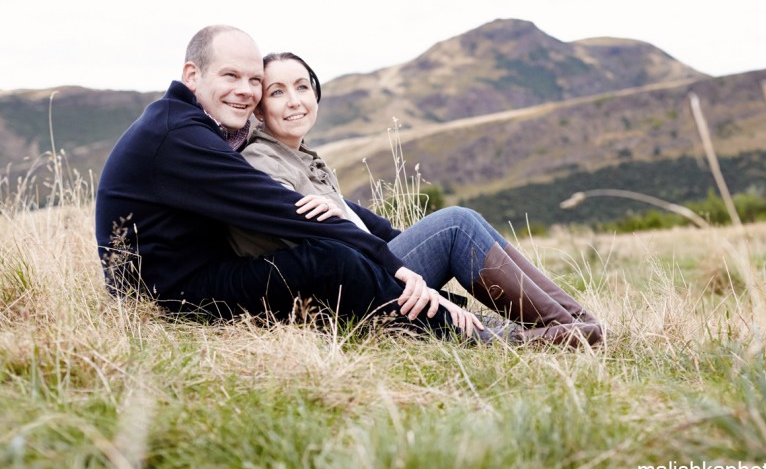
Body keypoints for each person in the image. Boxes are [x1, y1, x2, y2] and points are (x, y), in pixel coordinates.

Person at [95, 25, 477, 340]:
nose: (245, 89)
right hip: (173, 298)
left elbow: (305, 201)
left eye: (254, 80)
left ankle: (464, 316)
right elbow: (276, 205)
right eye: (230, 75)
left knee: (354, 250)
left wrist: (386, 243)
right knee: (330, 259)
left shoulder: (197, 126)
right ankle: (470, 332)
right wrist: (392, 263)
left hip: (198, 277)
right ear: (192, 75)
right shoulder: (177, 135)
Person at [228, 51, 604, 347]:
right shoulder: (262, 160)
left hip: (364, 275)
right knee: (456, 224)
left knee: (463, 225)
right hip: (341, 295)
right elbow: (301, 250)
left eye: (302, 87)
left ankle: (578, 323)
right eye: (278, 92)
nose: (294, 101)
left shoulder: (303, 157)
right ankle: (566, 326)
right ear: (259, 109)